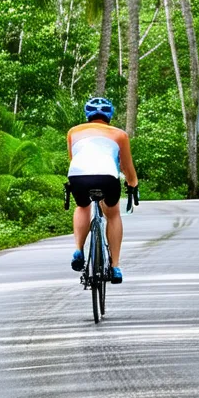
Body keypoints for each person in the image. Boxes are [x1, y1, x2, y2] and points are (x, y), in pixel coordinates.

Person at [66, 97, 138, 283]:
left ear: (88, 115)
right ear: (109, 115)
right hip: (106, 177)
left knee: (82, 206)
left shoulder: (73, 132)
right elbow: (127, 167)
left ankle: (78, 249)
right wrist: (133, 184)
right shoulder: (119, 134)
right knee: (112, 214)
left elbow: (73, 158)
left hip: (78, 175)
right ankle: (115, 267)